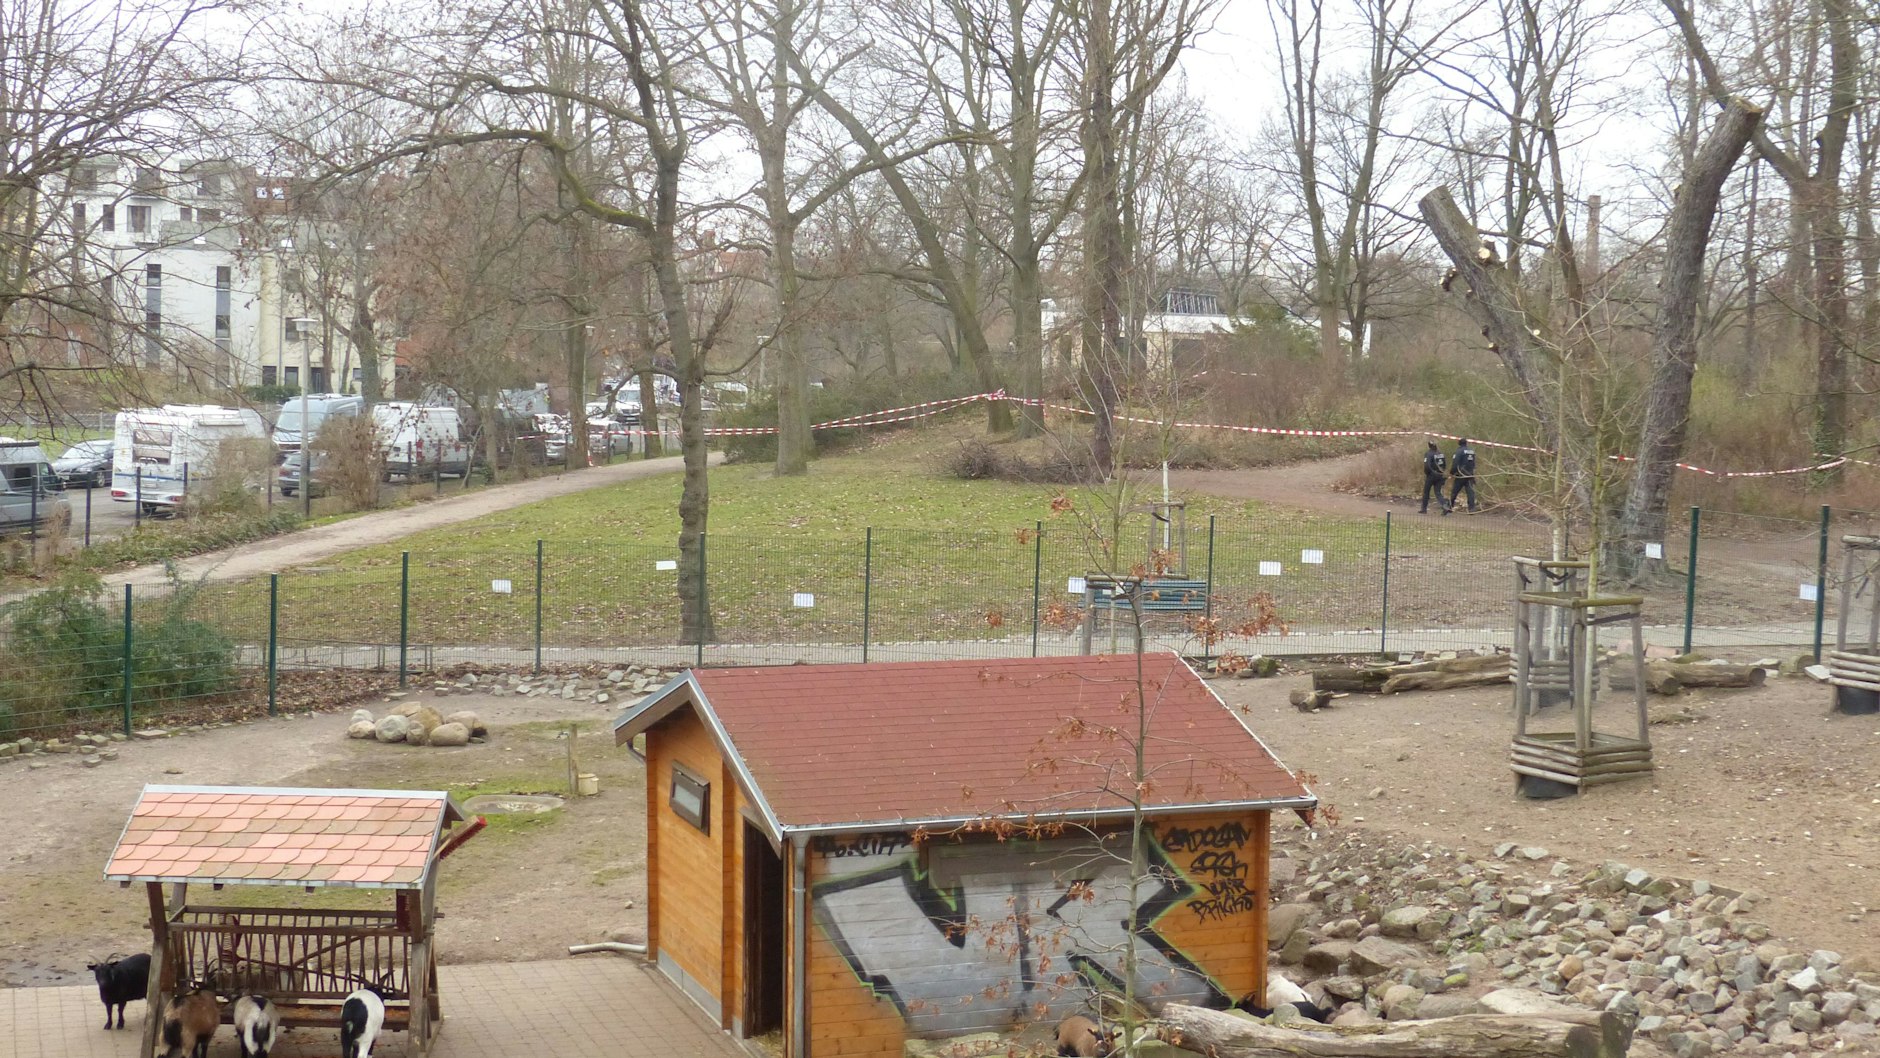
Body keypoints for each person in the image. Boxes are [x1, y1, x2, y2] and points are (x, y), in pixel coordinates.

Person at [1449, 438, 1479, 514]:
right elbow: (1474, 463)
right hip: (1470, 474)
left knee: (1454, 491)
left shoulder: (1459, 451)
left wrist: (1452, 472)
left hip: (1461, 474)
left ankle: (1449, 506)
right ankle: (1471, 508)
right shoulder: (1471, 451)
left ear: (1459, 443)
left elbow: (1455, 463)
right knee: (1470, 492)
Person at [1419, 441, 1449, 514]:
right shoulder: (1441, 454)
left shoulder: (1428, 454)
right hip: (1440, 475)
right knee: (1438, 492)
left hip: (1431, 476)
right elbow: (1444, 465)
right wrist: (1441, 473)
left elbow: (1427, 466)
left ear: (1429, 446)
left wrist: (1429, 473)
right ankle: (1444, 505)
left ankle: (1424, 509)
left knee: (1426, 492)